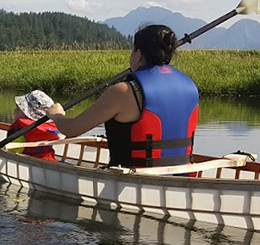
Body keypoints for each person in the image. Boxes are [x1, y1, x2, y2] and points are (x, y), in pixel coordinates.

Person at [46, 24, 199, 168]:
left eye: (132, 50)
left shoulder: (124, 91)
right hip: (180, 173)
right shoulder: (189, 85)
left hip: (133, 178)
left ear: (138, 54)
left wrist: (57, 116)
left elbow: (72, 129)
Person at [8, 90, 64, 162]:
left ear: (28, 115)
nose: (14, 111)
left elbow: (11, 151)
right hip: (49, 160)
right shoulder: (47, 129)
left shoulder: (20, 133)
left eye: (18, 109)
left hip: (26, 162)